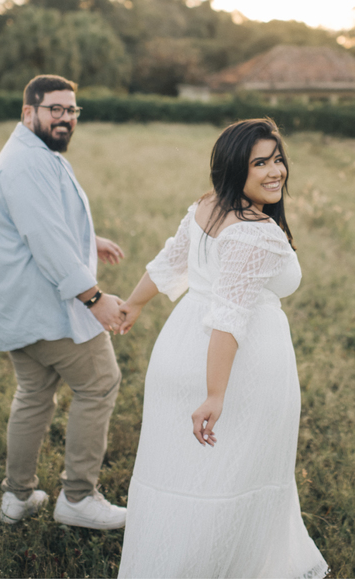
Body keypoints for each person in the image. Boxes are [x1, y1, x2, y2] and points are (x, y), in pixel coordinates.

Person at [116, 118, 327, 577]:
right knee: (235, 475)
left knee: (184, 472)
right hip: (237, 367)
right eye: (260, 163)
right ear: (236, 168)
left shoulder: (207, 207)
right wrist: (215, 394)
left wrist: (134, 304)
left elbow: (171, 262)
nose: (275, 171)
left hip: (181, 345)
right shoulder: (255, 231)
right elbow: (230, 320)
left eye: (277, 159)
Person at [0, 74, 129, 529]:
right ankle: (79, 498)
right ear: (30, 112)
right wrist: (94, 297)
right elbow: (44, 238)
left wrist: (89, 239)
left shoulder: (34, 152)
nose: (65, 118)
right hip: (42, 308)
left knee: (34, 394)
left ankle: (18, 496)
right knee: (100, 382)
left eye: (71, 110)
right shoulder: (26, 162)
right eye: (55, 110)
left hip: (20, 305)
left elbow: (44, 218)